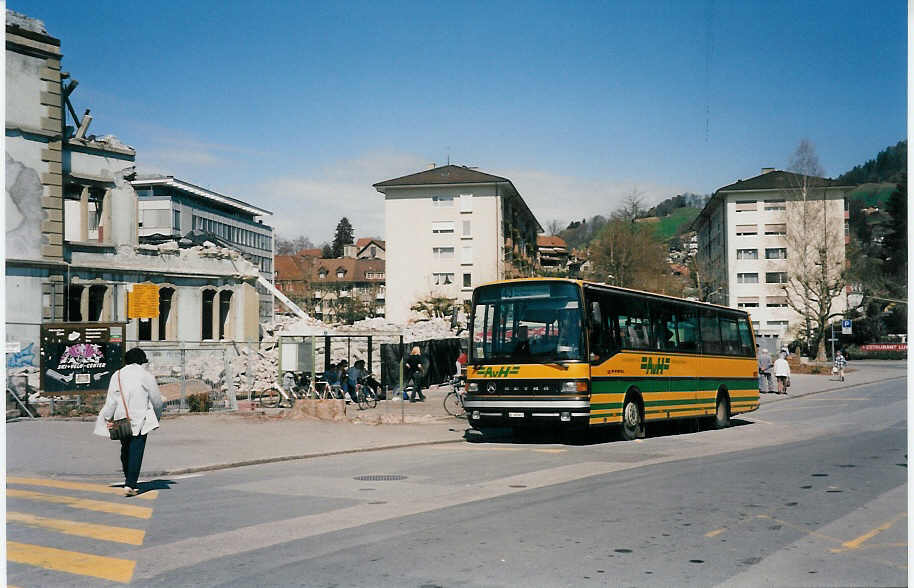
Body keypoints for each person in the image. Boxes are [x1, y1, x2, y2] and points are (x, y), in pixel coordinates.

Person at [93, 348, 163, 497]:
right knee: (136, 451)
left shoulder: (117, 375)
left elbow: (111, 401)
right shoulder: (146, 376)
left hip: (122, 420)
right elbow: (157, 400)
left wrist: (106, 418)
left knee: (125, 449)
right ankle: (130, 484)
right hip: (141, 420)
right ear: (141, 360)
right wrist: (156, 417)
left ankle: (128, 478)